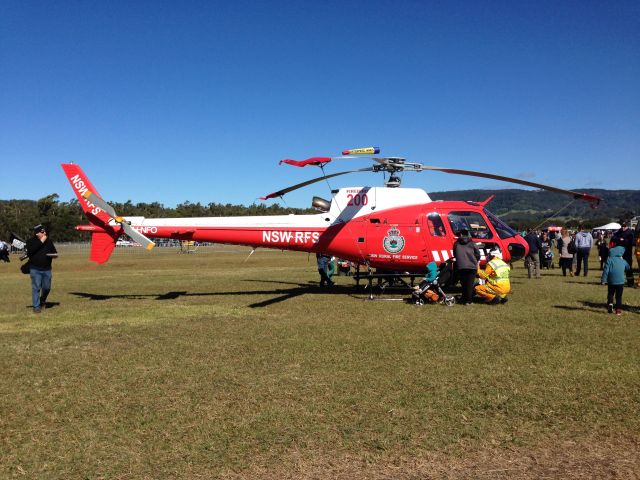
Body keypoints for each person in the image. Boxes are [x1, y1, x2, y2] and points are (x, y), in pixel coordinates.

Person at [25, 224, 58, 313]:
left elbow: (54, 252)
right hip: (35, 269)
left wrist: (54, 255)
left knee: (47, 288)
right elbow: (30, 251)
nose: (44, 233)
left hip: (47, 269)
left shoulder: (49, 241)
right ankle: (36, 307)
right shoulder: (30, 241)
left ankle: (42, 300)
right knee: (36, 288)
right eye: (42, 232)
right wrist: (41, 242)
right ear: (36, 233)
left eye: (44, 231)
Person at [601, 241, 630, 315]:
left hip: (611, 281)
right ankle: (618, 310)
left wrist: (603, 280)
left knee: (610, 293)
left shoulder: (609, 260)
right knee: (619, 296)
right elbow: (628, 267)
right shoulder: (623, 260)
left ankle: (610, 304)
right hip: (620, 281)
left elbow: (606, 270)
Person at [453, 229, 480, 305]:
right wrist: (474, 260)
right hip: (472, 266)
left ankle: (464, 299)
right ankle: (468, 301)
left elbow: (455, 254)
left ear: (461, 235)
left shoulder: (456, 244)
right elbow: (478, 254)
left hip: (461, 266)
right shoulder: (472, 243)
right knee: (470, 284)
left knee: (464, 284)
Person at [611, 222, 635, 287]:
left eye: (624, 226)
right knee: (618, 268)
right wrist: (619, 239)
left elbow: (631, 242)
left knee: (628, 268)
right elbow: (613, 238)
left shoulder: (630, 233)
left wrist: (623, 241)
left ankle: (630, 283)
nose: (623, 227)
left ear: (627, 226)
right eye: (622, 226)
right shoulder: (619, 231)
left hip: (627, 253)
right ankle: (617, 282)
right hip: (618, 254)